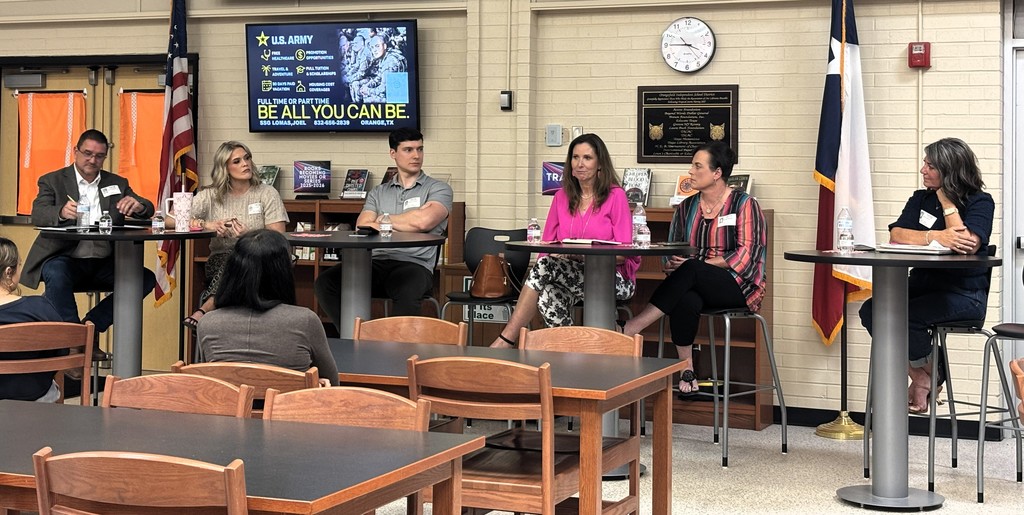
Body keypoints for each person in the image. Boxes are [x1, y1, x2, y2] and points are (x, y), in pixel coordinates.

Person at [858, 137, 994, 414]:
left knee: (907, 316)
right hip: (921, 286)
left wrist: (946, 202)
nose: (923, 170)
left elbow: (966, 243)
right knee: (872, 309)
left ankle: (925, 377)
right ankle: (927, 376)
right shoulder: (920, 199)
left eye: (930, 165)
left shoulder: (980, 201)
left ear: (949, 171)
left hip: (964, 294)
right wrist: (934, 236)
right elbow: (897, 234)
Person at [620, 142, 767, 394]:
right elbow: (671, 253)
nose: (690, 171)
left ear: (717, 173)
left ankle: (631, 328)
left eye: (697, 166)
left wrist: (696, 265)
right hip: (694, 282)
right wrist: (676, 264)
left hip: (738, 285)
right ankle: (686, 369)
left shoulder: (744, 205)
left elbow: (747, 256)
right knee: (685, 297)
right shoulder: (686, 208)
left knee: (691, 270)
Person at [490, 133, 640, 348]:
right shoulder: (562, 196)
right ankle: (570, 354)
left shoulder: (616, 196)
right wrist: (551, 265)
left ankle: (506, 339)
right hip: (570, 274)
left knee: (546, 266)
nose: (580, 164)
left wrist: (575, 255)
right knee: (548, 295)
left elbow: (624, 254)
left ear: (600, 164)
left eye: (587, 158)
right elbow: (546, 246)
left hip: (613, 278)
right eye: (575, 157)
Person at [20, 129, 156, 362]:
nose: (93, 160)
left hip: (104, 261)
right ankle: (74, 344)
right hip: (68, 259)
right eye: (87, 153)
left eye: (99, 156)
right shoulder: (53, 180)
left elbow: (147, 207)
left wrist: (139, 206)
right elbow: (39, 214)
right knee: (54, 270)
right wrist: (61, 212)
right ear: (75, 152)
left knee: (145, 277)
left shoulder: (117, 183)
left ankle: (89, 329)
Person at [314, 128, 452, 333]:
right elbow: (364, 223)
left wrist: (382, 219)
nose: (416, 155)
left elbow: (423, 221)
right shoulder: (378, 192)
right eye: (408, 149)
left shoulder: (439, 188)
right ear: (393, 153)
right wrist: (404, 220)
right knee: (326, 282)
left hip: (414, 264)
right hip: (375, 262)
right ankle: (356, 336)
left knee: (407, 288)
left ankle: (399, 354)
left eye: (420, 149)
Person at [197, 229, 337, 386]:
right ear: (282, 272)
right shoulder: (306, 321)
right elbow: (333, 382)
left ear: (232, 271)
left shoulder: (207, 324)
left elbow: (209, 382)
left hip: (227, 409)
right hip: (286, 409)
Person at [179, 141, 288, 331]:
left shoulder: (267, 193)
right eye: (237, 161)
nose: (245, 164)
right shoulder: (210, 195)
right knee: (232, 261)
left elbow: (278, 238)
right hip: (221, 260)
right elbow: (171, 218)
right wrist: (206, 224)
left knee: (240, 262)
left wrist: (250, 236)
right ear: (225, 168)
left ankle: (206, 309)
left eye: (247, 158)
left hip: (261, 262)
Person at [0, 237, 66, 402]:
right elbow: (61, 352)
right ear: (9, 272)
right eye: (19, 265)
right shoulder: (39, 308)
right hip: (34, 397)